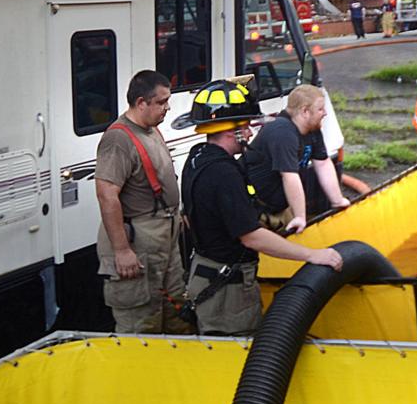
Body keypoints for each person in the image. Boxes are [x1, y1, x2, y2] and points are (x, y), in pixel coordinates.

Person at [177, 79, 343, 336]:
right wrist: (312, 255)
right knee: (237, 356)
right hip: (228, 291)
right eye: (245, 128)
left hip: (206, 272)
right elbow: (252, 236)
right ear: (232, 132)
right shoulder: (224, 173)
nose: (250, 134)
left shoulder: (197, 158)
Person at [94, 69, 191, 334]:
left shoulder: (151, 130)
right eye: (161, 102)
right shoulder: (118, 139)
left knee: (175, 312)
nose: (168, 108)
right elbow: (106, 194)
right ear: (140, 103)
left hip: (164, 239)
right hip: (140, 242)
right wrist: (122, 250)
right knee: (142, 323)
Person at [243, 84, 351, 234]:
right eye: (320, 109)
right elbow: (289, 176)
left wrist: (337, 201)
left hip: (279, 206)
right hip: (254, 209)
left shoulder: (312, 129)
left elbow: (323, 163)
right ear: (305, 111)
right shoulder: (282, 132)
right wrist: (300, 217)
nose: (325, 113)